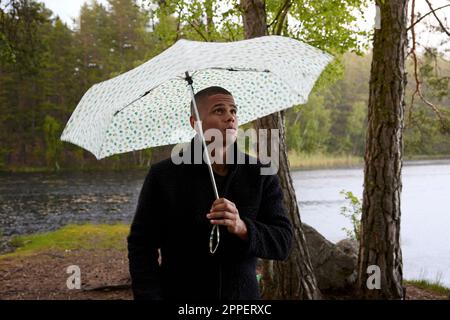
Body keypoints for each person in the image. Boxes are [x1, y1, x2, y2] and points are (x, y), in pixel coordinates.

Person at [127, 86, 293, 300]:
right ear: (195, 123)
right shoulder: (164, 176)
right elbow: (141, 246)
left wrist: (242, 227)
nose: (230, 118)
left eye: (233, 111)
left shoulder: (260, 173)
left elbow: (283, 242)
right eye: (219, 111)